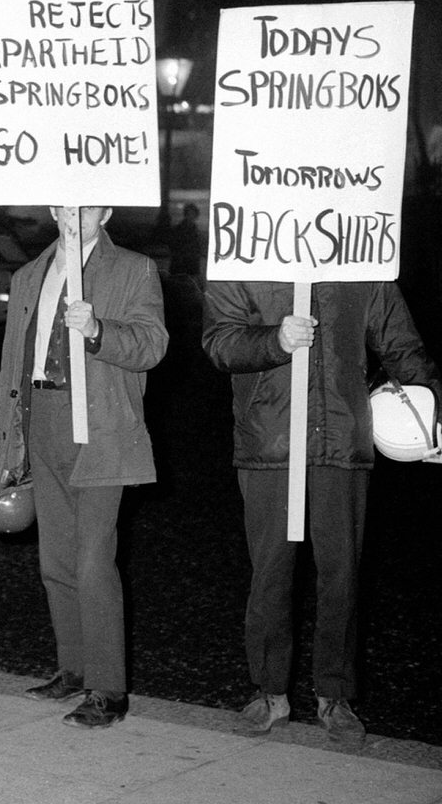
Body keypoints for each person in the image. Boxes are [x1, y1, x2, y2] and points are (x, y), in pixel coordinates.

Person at [202, 280, 440, 748]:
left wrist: (433, 416)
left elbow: (401, 344)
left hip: (341, 440)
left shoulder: (361, 260)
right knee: (269, 573)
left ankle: (336, 694)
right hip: (269, 441)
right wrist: (275, 340)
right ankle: (269, 690)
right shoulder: (247, 253)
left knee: (342, 574)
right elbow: (220, 342)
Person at [0, 206, 166, 728]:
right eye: (66, 203)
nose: (75, 213)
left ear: (107, 211)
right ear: (51, 208)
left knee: (93, 560)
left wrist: (97, 330)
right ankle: (73, 670)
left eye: (88, 205)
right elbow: (12, 362)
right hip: (41, 419)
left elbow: (153, 345)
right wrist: (5, 438)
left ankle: (108, 689)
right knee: (56, 561)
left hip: (102, 425)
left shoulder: (134, 269)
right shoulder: (29, 275)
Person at [168, 203, 203, 279]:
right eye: (190, 214)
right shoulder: (190, 230)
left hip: (186, 264)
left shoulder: (193, 229)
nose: (191, 216)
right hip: (182, 264)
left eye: (193, 214)